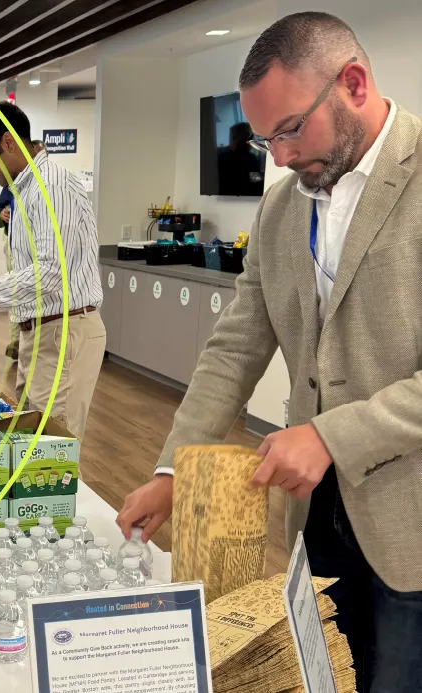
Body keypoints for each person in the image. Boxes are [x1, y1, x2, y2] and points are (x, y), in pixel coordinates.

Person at [115, 13, 422, 692]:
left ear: (353, 82)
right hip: (316, 517)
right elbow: (233, 348)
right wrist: (174, 469)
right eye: (263, 140)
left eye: (288, 130)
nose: (277, 157)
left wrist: (327, 435)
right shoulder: (282, 206)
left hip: (410, 525)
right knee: (324, 675)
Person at [0, 103, 104, 443]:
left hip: (63, 333)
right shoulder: (24, 191)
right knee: (34, 447)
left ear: (10, 144)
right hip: (40, 333)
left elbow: (48, 273)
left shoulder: (51, 187)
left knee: (51, 453)